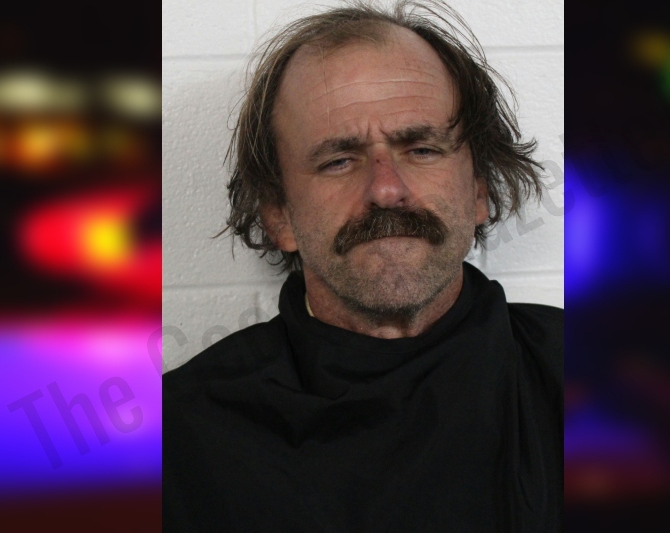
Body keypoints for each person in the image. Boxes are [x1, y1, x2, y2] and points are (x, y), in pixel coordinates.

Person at [164, 1, 562, 531]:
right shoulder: (177, 443)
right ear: (278, 216)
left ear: (478, 192)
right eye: (338, 161)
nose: (386, 189)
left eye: (421, 149)